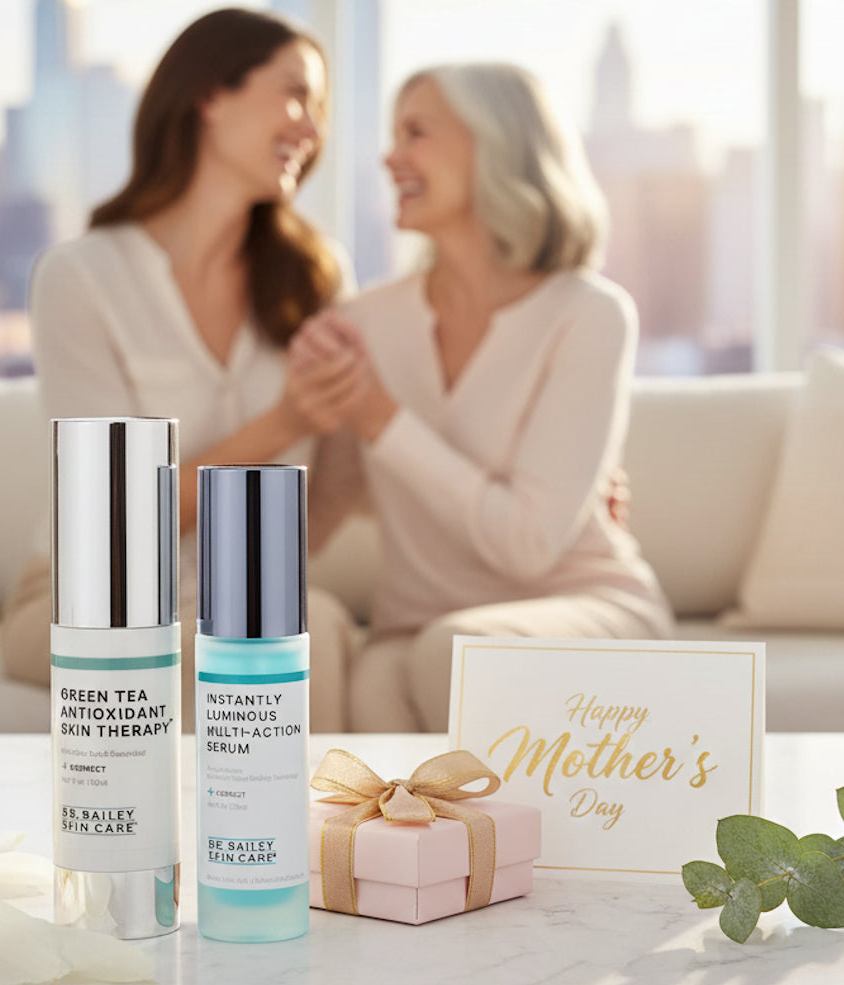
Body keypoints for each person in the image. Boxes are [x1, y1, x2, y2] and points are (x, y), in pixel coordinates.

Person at [0, 8, 364, 732]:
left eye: (319, 110)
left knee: (302, 621)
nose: (312, 129)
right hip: (87, 601)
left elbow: (336, 487)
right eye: (295, 95)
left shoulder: (316, 281)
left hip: (247, 597)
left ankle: (290, 844)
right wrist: (284, 423)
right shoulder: (83, 275)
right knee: (253, 643)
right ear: (210, 94)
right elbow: (115, 516)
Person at [289, 63, 674, 732]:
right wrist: (300, 411)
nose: (390, 156)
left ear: (496, 146)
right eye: (392, 134)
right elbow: (318, 522)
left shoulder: (588, 314)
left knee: (457, 655)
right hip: (413, 631)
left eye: (416, 133)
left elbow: (529, 545)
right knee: (379, 681)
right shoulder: (365, 324)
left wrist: (382, 419)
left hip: (578, 603)